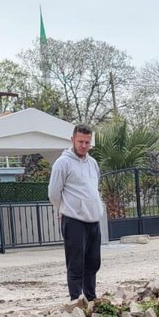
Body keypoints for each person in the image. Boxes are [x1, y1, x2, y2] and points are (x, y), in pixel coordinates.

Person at [48, 124, 104, 302]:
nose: (84, 145)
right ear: (72, 140)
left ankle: (91, 297)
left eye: (87, 142)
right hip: (74, 220)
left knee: (93, 262)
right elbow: (54, 193)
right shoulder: (62, 163)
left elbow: (93, 188)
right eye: (81, 141)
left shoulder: (93, 163)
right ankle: (76, 300)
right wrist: (64, 209)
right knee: (76, 264)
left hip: (93, 220)